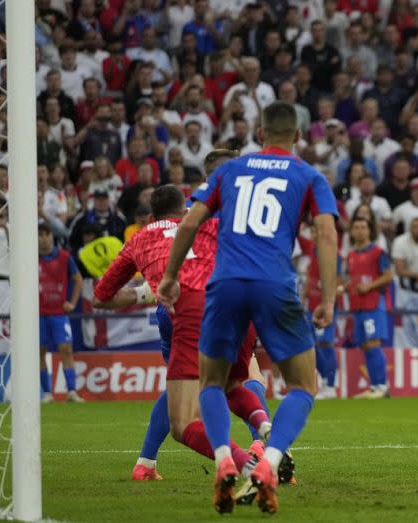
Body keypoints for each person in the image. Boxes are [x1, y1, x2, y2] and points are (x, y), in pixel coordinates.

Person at [158, 102, 338, 514]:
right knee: (303, 385)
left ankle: (224, 460)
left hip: (223, 286)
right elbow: (325, 233)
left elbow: (188, 222)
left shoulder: (228, 171)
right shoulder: (308, 175)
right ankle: (269, 465)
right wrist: (327, 298)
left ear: (260, 134)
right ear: (296, 136)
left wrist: (169, 276)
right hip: (274, 284)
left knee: (212, 382)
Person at [93, 185, 271, 484]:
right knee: (235, 381)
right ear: (186, 210)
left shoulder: (141, 237)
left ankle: (240, 460)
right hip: (229, 304)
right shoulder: (208, 221)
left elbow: (100, 297)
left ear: (149, 218)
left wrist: (147, 293)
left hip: (181, 311)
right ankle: (263, 435)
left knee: (186, 401)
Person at [345, 217, 393, 399]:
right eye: (356, 227)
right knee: (365, 345)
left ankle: (382, 385)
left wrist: (369, 286)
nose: (359, 230)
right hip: (358, 306)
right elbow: (355, 278)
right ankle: (374, 387)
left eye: (363, 227)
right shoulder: (351, 255)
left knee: (373, 343)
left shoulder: (378, 252)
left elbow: (388, 276)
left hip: (373, 304)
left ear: (369, 231)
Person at [38, 221, 84, 403]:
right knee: (39, 352)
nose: (43, 239)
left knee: (65, 349)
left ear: (52, 236)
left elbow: (78, 279)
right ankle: (47, 393)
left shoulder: (64, 257)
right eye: (40, 235)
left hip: (58, 313)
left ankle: (71, 392)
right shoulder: (31, 258)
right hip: (38, 315)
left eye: (46, 234)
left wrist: (72, 303)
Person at [301, 225, 342, 400]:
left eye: (318, 231)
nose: (315, 234)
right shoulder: (312, 252)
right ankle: (322, 382)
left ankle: (330, 384)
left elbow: (338, 280)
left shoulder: (333, 254)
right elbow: (311, 279)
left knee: (325, 343)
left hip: (324, 306)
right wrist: (303, 298)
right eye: (313, 231)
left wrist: (329, 301)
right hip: (311, 306)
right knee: (312, 345)